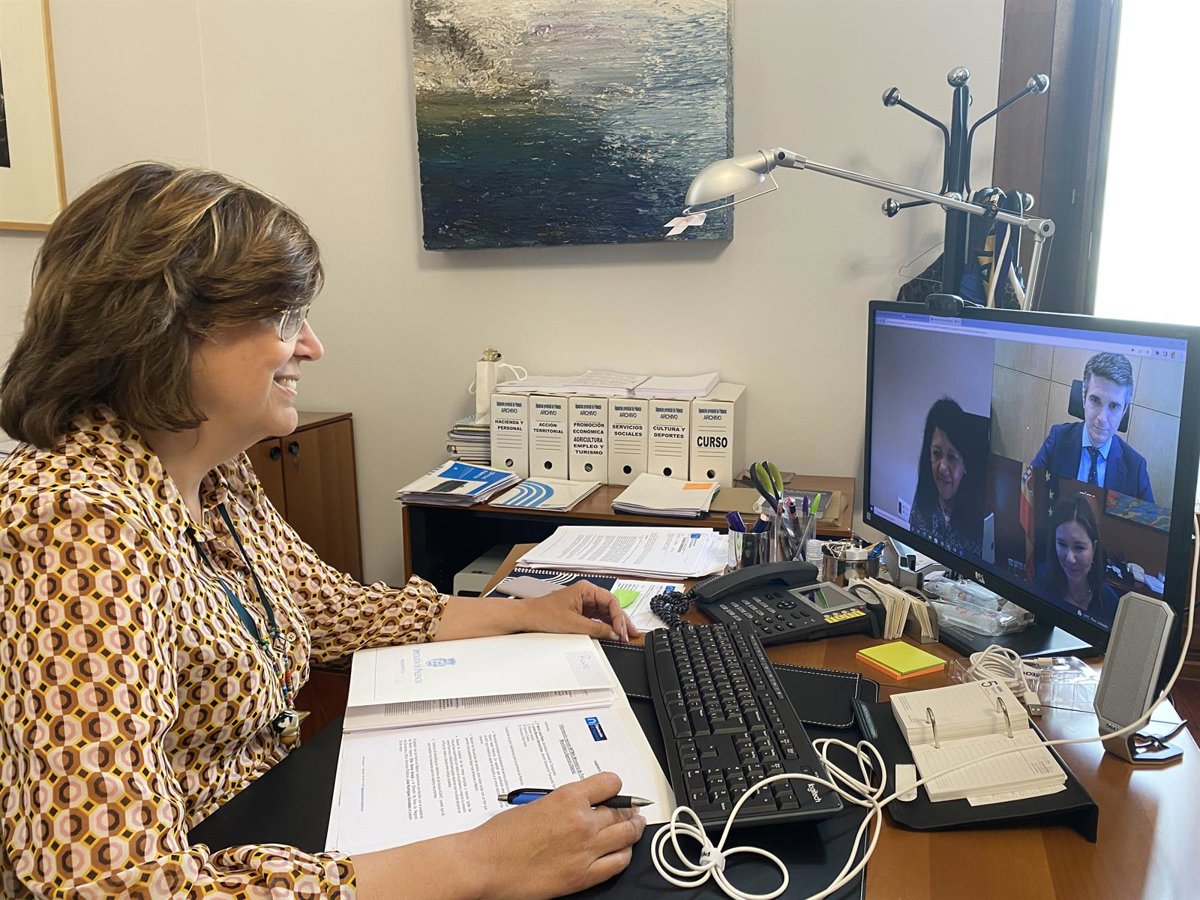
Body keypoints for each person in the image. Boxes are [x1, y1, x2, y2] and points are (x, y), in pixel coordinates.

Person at [0, 163, 645, 899]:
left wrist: (523, 613)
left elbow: (327, 611)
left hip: (268, 819)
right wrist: (482, 863)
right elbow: (110, 883)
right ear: (161, 328)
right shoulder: (72, 522)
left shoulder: (210, 469)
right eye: (285, 319)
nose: (311, 346)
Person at [1030, 351, 1153, 501]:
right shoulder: (1057, 440)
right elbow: (1029, 492)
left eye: (1114, 406)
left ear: (1124, 410)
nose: (1102, 418)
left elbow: (1146, 516)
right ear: (1084, 397)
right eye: (1095, 400)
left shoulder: (1136, 468)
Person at [909, 397, 986, 559]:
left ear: (965, 464)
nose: (942, 468)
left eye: (951, 457)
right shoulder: (923, 499)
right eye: (936, 454)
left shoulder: (980, 521)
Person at [1034, 494, 1120, 627]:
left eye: (1079, 547)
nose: (1070, 559)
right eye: (1062, 544)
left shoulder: (1110, 603)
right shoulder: (1043, 577)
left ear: (1094, 548)